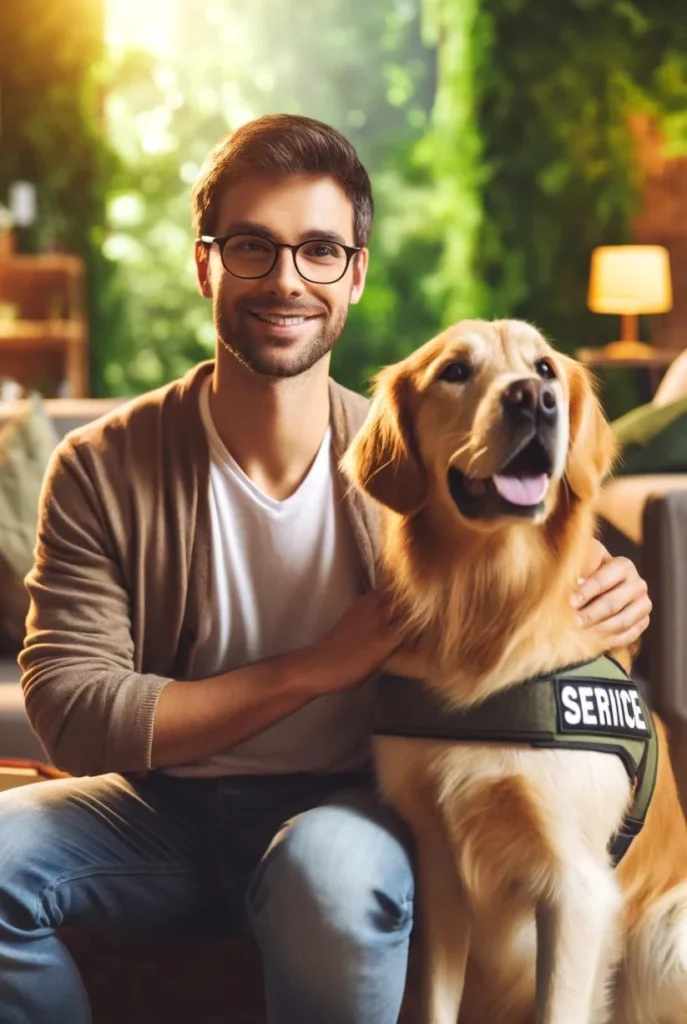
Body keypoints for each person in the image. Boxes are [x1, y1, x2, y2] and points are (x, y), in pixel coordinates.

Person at [0, 114, 651, 1024]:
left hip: (346, 812)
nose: (285, 280)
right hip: (155, 817)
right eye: (251, 248)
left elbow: (542, 545)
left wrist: (616, 585)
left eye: (317, 251)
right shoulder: (100, 466)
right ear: (205, 266)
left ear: (354, 274)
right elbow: (72, 710)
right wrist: (312, 669)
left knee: (336, 881)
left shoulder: (415, 454)